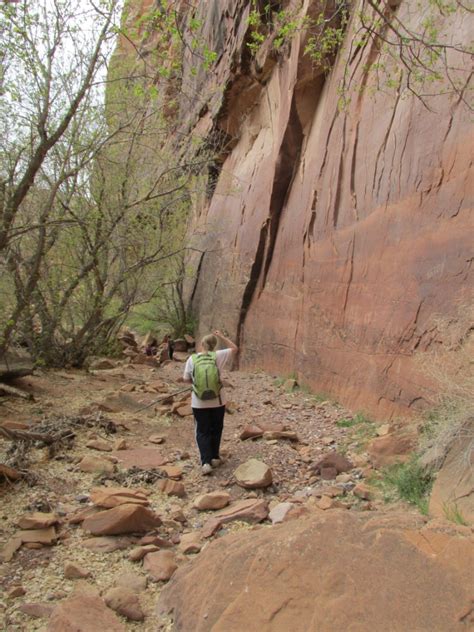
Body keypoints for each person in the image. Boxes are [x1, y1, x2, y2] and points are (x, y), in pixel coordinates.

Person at [182, 330, 238, 475]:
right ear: (214, 345)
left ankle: (206, 462)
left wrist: (196, 384)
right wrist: (221, 336)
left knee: (202, 430)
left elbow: (186, 379)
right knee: (216, 428)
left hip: (198, 402)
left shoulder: (192, 359)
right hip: (218, 401)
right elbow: (235, 348)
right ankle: (214, 457)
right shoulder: (219, 355)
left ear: (202, 344)